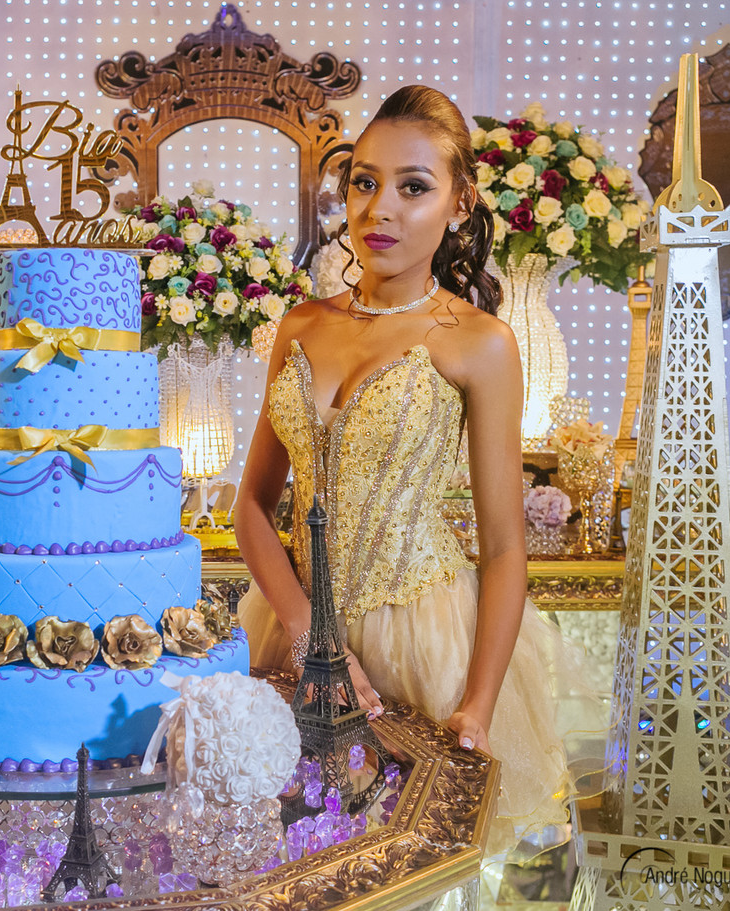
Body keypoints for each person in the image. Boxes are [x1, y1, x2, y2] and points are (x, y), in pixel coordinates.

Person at [233, 85, 599, 859]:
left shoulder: (480, 342)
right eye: (364, 182)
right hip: (293, 630)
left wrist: (478, 704)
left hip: (426, 640)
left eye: (413, 187)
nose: (380, 209)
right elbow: (252, 509)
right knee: (287, 860)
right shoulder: (300, 325)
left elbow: (505, 547)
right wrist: (303, 631)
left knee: (407, 873)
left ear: (460, 204)